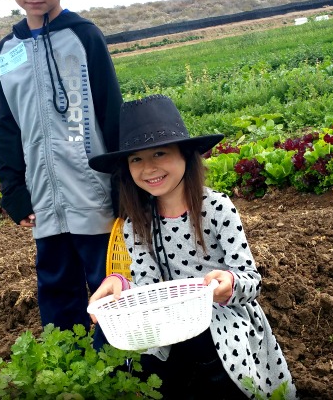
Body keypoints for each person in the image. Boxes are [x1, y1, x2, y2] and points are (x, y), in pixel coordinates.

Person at [0, 0, 123, 346]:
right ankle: (68, 363)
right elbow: (2, 127)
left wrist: (123, 183)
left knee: (110, 285)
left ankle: (122, 365)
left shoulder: (84, 36)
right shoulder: (6, 51)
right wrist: (14, 191)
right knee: (55, 288)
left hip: (95, 193)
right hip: (43, 201)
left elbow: (110, 111)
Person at [87, 95, 296, 399]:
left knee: (204, 338)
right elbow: (149, 287)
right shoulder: (137, 223)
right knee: (117, 339)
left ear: (186, 154)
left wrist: (229, 284)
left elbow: (251, 281)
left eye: (160, 153)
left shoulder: (217, 209)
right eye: (136, 159)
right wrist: (120, 285)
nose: (148, 168)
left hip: (223, 319)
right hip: (167, 320)